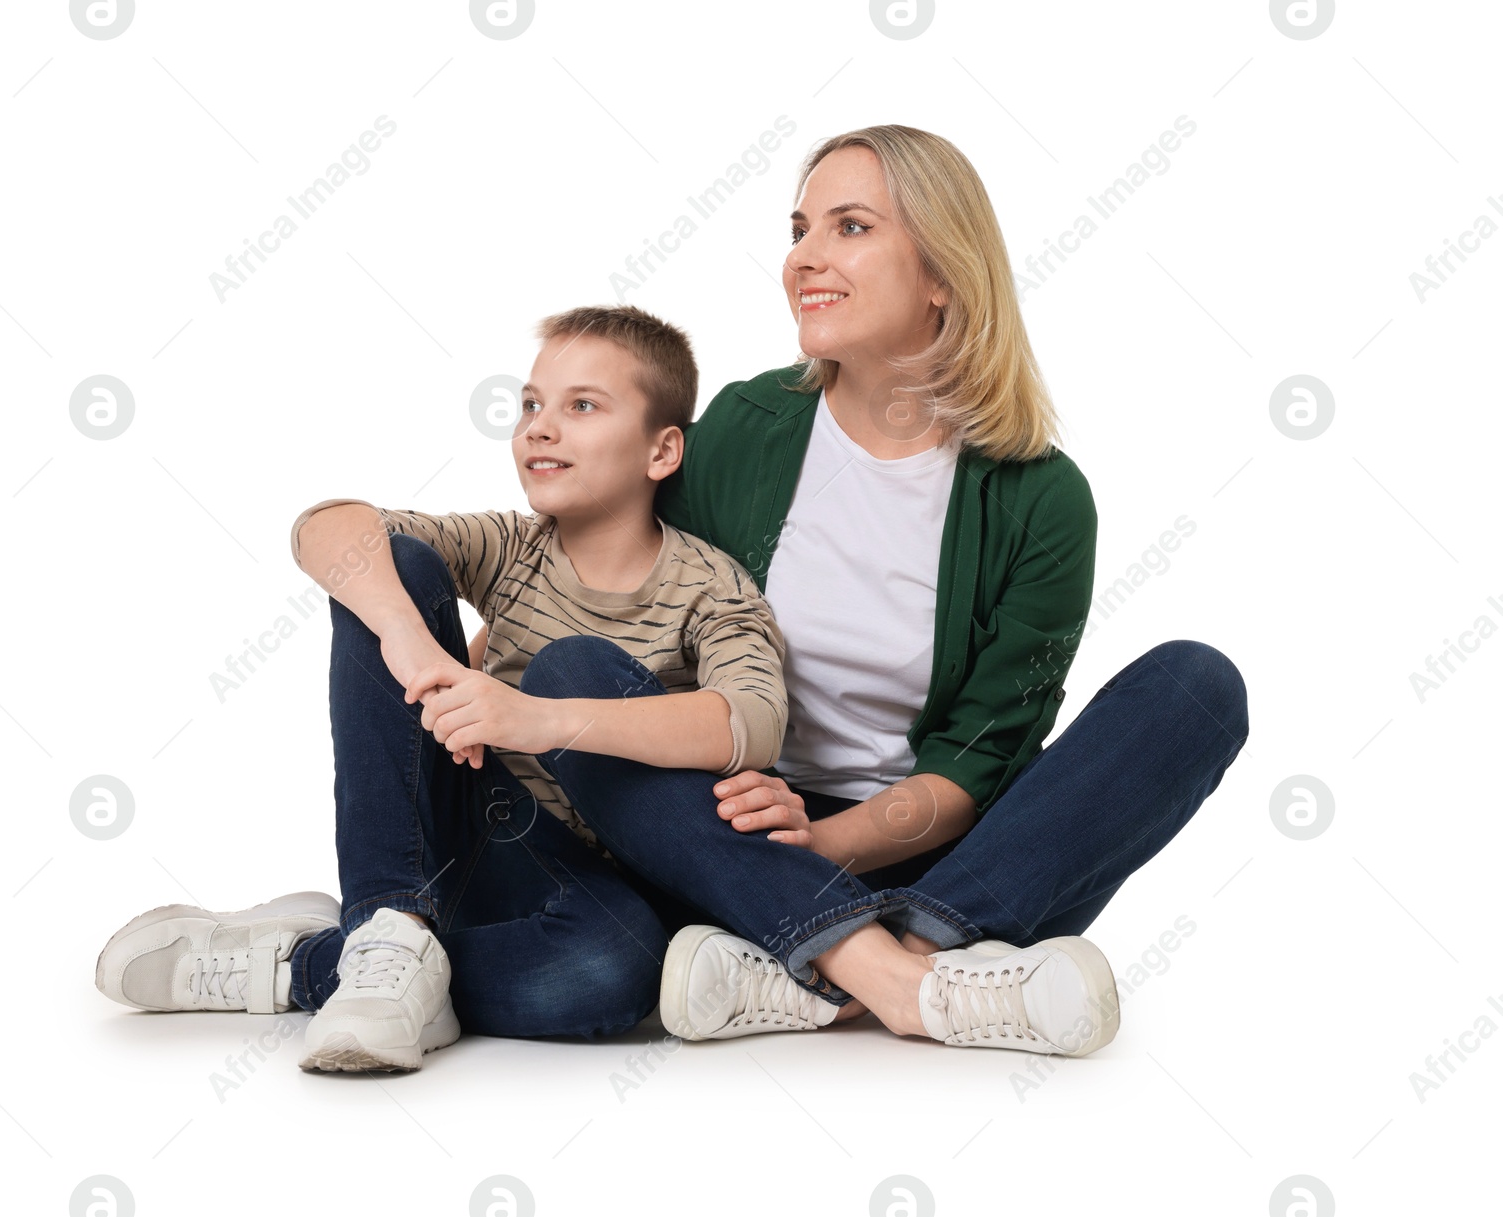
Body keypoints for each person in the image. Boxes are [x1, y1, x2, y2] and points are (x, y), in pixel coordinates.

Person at [478, 124, 1250, 1055]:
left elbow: (981, 754)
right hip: (730, 828)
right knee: (575, 671)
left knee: (1196, 689)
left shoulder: (1042, 499)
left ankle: (865, 954)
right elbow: (630, 579)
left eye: (849, 227)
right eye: (800, 229)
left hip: (929, 851)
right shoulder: (744, 425)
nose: (804, 257)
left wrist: (831, 845)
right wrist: (508, 646)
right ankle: (921, 979)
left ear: (941, 273)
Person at [93, 304, 791, 1073]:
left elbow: (749, 721)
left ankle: (309, 964)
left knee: (617, 970)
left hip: (581, 883)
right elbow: (328, 527)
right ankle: (389, 924)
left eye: (582, 406)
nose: (540, 428)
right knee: (391, 565)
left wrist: (537, 717)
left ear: (662, 451)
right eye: (531, 405)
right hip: (456, 825)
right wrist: (407, 632)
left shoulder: (710, 587)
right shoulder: (512, 545)